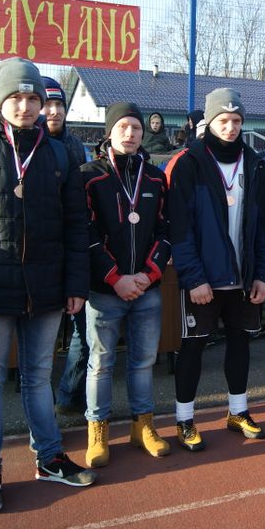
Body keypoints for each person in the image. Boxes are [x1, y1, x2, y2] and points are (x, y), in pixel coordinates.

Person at [0, 57, 96, 514]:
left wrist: (75, 284)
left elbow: (75, 226)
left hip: (47, 288)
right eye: (17, 98)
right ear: (1, 101)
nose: (27, 107)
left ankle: (48, 457)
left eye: (34, 98)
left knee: (37, 377)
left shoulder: (59, 153)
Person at [168, 88, 265, 450]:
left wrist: (263, 273)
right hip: (204, 279)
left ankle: (238, 411)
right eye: (223, 121)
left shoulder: (257, 164)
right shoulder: (190, 163)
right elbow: (180, 229)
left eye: (236, 121)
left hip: (244, 278)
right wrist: (194, 277)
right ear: (210, 123)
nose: (230, 127)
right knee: (194, 347)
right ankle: (184, 418)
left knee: (240, 344)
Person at [82, 102, 172, 467]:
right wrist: (116, 278)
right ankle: (98, 431)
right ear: (109, 132)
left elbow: (166, 231)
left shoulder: (155, 177)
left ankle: (143, 425)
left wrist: (149, 275)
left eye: (136, 127)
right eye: (123, 127)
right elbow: (86, 235)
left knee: (143, 362)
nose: (131, 133)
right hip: (106, 291)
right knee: (101, 364)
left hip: (146, 288)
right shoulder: (89, 176)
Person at [41, 76, 91, 417]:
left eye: (59, 105)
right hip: (40, 253)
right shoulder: (21, 147)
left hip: (73, 248)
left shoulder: (74, 147)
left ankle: (68, 396)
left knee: (83, 332)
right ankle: (41, 407)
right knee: (41, 341)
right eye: (48, 104)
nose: (54, 111)